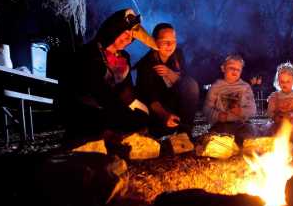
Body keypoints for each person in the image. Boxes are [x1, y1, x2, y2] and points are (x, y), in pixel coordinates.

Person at [62, 8, 157, 141]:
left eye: (132, 35)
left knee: (143, 117)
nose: (128, 38)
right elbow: (98, 91)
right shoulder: (90, 52)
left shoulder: (124, 57)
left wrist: (142, 109)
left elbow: (127, 90)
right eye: (125, 32)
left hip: (113, 107)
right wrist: (123, 114)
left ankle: (119, 133)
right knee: (103, 119)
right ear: (114, 30)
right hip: (89, 109)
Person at [135, 23, 199, 137]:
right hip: (157, 112)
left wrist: (172, 75)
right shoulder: (146, 64)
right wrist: (165, 115)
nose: (170, 45)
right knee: (162, 129)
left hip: (175, 104)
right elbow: (150, 98)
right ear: (154, 41)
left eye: (173, 41)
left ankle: (185, 134)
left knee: (191, 84)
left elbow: (187, 84)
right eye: (165, 41)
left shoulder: (178, 55)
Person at [203, 54, 257, 144]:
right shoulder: (216, 87)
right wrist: (217, 115)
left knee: (250, 133)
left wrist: (241, 111)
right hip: (222, 124)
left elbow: (253, 109)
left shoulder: (245, 87)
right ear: (223, 68)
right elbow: (206, 108)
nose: (235, 71)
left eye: (238, 69)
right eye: (231, 68)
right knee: (215, 139)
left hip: (241, 124)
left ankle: (243, 148)